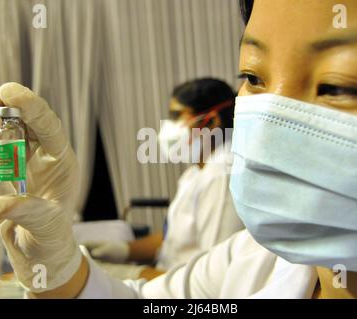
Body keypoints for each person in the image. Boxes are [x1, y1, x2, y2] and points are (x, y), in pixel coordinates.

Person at [0, 0, 357, 298]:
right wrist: (57, 271)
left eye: (339, 84)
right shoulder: (249, 262)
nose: (270, 113)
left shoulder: (222, 177)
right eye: (255, 76)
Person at [83, 78, 244, 281]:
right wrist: (120, 250)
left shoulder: (221, 176)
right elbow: (173, 239)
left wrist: (125, 276)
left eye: (177, 116)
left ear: (211, 122)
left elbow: (213, 279)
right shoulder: (196, 172)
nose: (169, 126)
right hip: (167, 279)